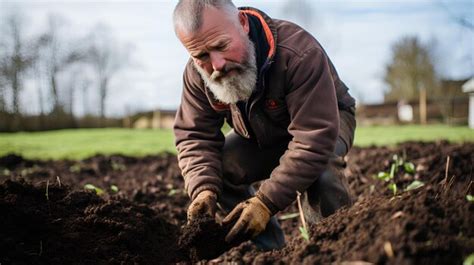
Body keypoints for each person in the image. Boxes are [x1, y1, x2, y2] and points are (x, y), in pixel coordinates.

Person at [173, 0, 356, 250]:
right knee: (218, 169)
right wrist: (203, 189)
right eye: (202, 56)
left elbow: (314, 138)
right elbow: (194, 136)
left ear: (243, 24)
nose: (217, 65)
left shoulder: (297, 52)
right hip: (263, 133)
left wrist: (266, 202)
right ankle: (268, 250)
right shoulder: (197, 76)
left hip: (326, 120)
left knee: (321, 170)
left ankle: (331, 248)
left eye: (221, 46)